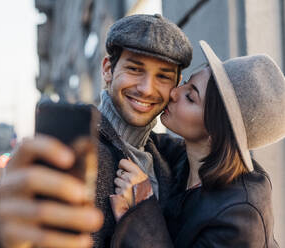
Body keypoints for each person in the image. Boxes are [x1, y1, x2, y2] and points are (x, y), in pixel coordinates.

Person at [0, 14, 193, 248]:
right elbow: (17, 217)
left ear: (176, 85)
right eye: (135, 69)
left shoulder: (167, 154)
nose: (147, 89)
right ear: (107, 70)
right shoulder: (76, 147)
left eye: (163, 76)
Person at [110, 41, 284, 247]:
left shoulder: (238, 217)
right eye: (185, 84)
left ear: (215, 131)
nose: (174, 93)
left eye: (190, 97)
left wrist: (142, 207)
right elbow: (139, 137)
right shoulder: (188, 158)